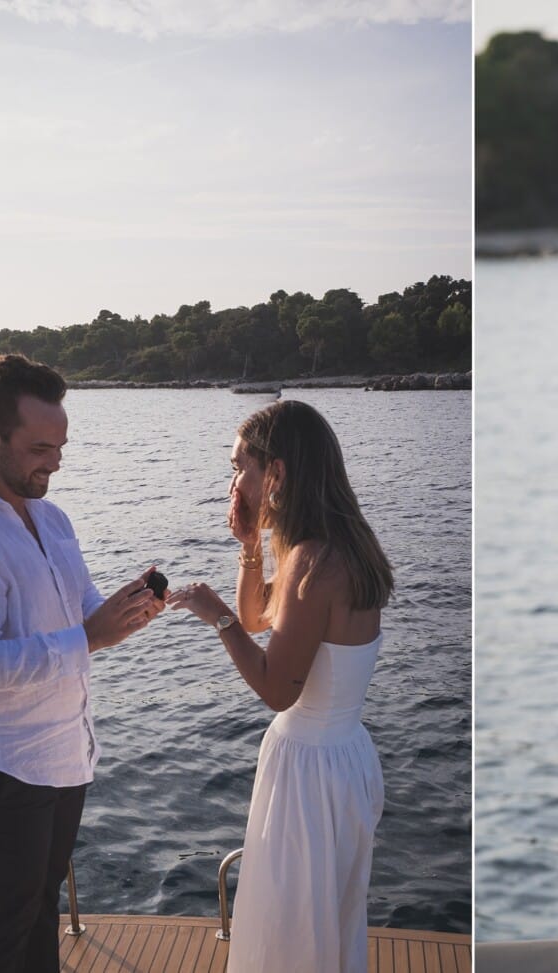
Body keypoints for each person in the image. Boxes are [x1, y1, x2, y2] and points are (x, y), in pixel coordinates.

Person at [0, 353, 164, 973]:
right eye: (40, 447)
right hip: (2, 765)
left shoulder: (51, 517)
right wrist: (89, 638)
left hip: (63, 751)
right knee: (6, 922)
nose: (55, 461)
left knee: (40, 909)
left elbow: (82, 609)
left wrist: (126, 612)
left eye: (61, 445)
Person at [167, 399, 392, 973]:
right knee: (328, 923)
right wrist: (248, 547)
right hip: (345, 758)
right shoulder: (342, 547)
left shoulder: (313, 562)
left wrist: (215, 616)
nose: (234, 479)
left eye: (241, 465)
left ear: (278, 473)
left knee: (290, 931)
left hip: (309, 771)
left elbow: (276, 689)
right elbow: (259, 618)